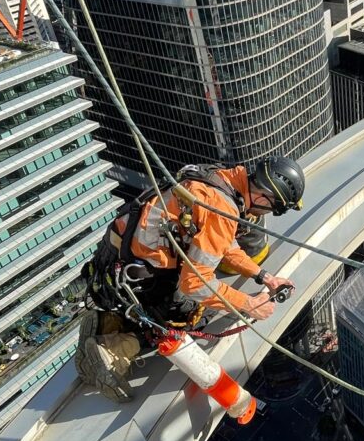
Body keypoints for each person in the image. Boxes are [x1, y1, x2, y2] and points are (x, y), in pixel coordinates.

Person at [75, 157, 305, 402]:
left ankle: (106, 323)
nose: (265, 213)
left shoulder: (223, 180)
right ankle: (113, 350)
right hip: (139, 275)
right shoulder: (223, 209)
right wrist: (249, 305)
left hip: (121, 254)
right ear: (262, 196)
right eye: (271, 208)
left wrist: (263, 277)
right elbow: (194, 284)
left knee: (196, 295)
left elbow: (226, 244)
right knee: (194, 315)